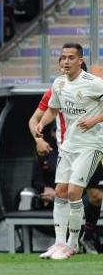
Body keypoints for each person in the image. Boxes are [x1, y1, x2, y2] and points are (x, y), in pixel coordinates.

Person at [35, 43, 103, 260]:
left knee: (75, 193)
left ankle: (73, 244)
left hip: (90, 146)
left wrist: (95, 119)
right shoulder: (58, 84)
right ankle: (58, 243)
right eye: (63, 57)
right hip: (68, 146)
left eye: (71, 57)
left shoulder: (93, 83)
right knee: (60, 192)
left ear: (80, 60)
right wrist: (42, 124)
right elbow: (53, 108)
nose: (65, 61)